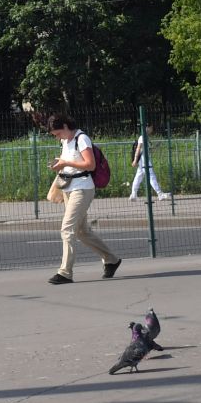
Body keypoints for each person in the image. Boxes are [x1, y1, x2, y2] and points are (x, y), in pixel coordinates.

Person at [46, 114, 120, 285]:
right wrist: (59, 164)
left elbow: (90, 165)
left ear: (65, 126)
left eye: (57, 133)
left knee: (67, 228)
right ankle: (111, 260)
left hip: (82, 188)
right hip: (68, 187)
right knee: (82, 232)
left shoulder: (82, 138)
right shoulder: (65, 141)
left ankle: (65, 272)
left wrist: (65, 163)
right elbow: (69, 161)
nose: (57, 137)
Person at [128, 130, 171, 201]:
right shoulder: (142, 137)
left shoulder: (145, 137)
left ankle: (133, 195)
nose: (152, 129)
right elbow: (138, 149)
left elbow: (147, 150)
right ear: (147, 128)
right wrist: (135, 160)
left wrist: (156, 146)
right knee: (151, 176)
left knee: (138, 177)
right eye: (151, 127)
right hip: (145, 162)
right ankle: (160, 194)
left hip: (143, 162)